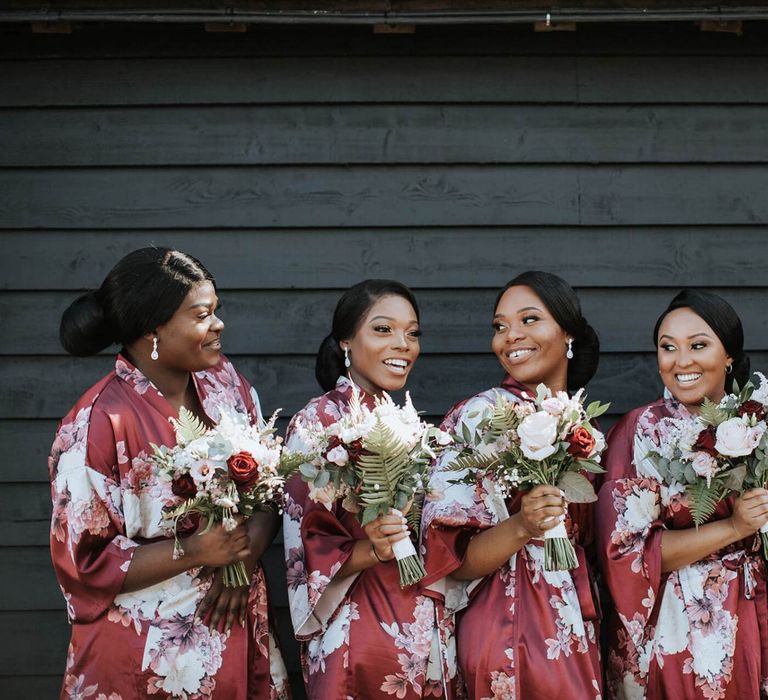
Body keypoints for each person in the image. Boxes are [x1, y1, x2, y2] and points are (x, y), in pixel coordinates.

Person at [50, 247, 289, 699]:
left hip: (238, 625)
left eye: (216, 311)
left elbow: (272, 490)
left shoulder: (227, 386)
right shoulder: (98, 423)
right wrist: (200, 550)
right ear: (152, 329)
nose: (218, 325)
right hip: (150, 655)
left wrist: (242, 556)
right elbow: (84, 562)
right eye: (201, 315)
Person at [422, 270, 603, 699]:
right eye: (500, 326)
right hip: (508, 623)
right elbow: (453, 559)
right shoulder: (481, 415)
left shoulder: (586, 427)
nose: (510, 336)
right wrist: (523, 525)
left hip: (575, 621)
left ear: (569, 334)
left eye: (528, 320)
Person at [282, 279, 458, 698]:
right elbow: (305, 544)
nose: (403, 344)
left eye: (412, 333)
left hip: (424, 626)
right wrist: (374, 547)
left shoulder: (406, 423)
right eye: (383, 329)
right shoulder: (318, 422)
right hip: (358, 630)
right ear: (345, 340)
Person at [597, 289, 768, 699]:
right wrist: (734, 526)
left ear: (729, 355)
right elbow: (625, 553)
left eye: (698, 345)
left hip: (753, 613)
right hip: (675, 628)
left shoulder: (761, 424)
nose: (681, 360)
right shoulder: (639, 432)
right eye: (668, 347)